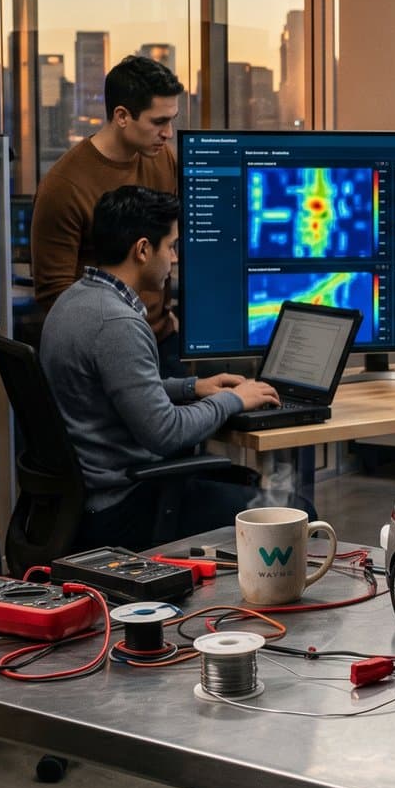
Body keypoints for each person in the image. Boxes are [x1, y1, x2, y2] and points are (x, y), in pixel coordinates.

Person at [39, 185, 286, 548]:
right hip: (124, 506)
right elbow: (166, 433)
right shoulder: (116, 323)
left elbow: (114, 390)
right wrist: (235, 400)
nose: (174, 259)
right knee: (292, 513)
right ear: (142, 249)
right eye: (170, 246)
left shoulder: (74, 301)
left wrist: (192, 388)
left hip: (81, 502)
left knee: (244, 486)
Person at [30, 54, 183, 342]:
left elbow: (165, 245)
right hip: (104, 347)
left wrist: (165, 317)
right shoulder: (63, 186)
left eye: (171, 121)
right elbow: (55, 294)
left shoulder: (163, 160)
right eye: (159, 122)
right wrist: (114, 344)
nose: (168, 133)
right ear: (122, 116)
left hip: (159, 338)